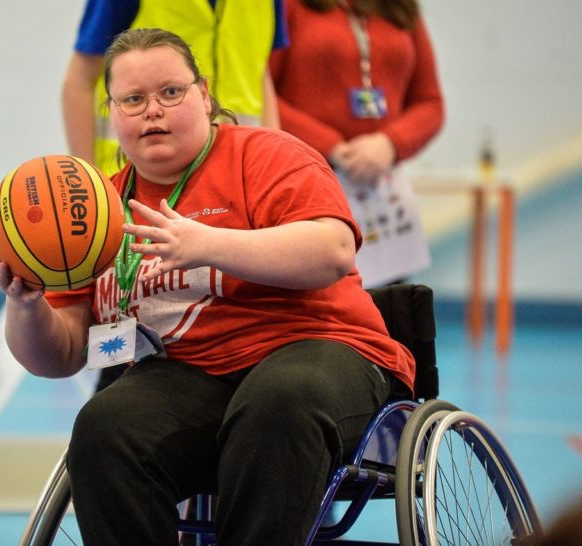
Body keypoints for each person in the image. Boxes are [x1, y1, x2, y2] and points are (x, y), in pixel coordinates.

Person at [0, 28, 414, 545]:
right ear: (112, 112)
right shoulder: (95, 214)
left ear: (205, 95)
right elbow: (60, 356)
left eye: (171, 92)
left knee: (278, 400)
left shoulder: (266, 154)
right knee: (106, 427)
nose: (153, 111)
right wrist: (25, 304)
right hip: (189, 376)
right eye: (134, 99)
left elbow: (332, 251)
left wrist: (207, 243)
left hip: (318, 350)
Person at [65, 0, 289, 392]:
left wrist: (279, 155)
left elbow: (260, 76)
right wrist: (91, 187)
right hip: (142, 195)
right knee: (137, 334)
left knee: (239, 321)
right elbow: (79, 80)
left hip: (237, 185)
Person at [269, 0, 444, 287]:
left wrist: (389, 143)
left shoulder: (400, 7)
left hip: (381, 190)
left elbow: (430, 102)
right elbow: (263, 97)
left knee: (390, 310)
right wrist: (333, 147)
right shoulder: (288, 6)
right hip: (308, 181)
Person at [63, 0, 287, 175]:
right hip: (135, 179)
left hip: (239, 173)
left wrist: (275, 160)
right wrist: (91, 185)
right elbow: (80, 80)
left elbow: (258, 70)